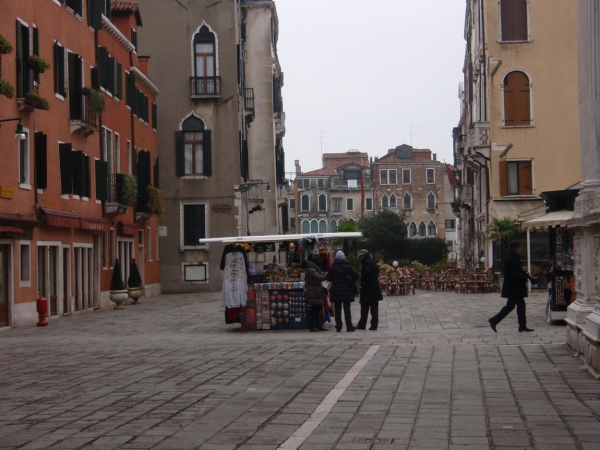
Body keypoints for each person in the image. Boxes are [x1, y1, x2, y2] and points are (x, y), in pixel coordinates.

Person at [489, 240, 535, 333]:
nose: (520, 249)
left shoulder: (514, 257)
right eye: (519, 247)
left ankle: (522, 326)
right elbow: (513, 273)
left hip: (516, 286)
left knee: (520, 305)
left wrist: (525, 275)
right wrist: (524, 278)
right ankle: (494, 320)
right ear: (515, 249)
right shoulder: (510, 259)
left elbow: (517, 271)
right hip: (513, 287)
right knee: (510, 306)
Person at [326, 251, 359, 332]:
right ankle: (349, 326)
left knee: (337, 309)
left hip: (336, 290)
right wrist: (350, 280)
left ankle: (338, 326)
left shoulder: (333, 267)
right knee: (347, 308)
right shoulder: (349, 266)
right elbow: (356, 275)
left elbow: (328, 277)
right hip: (347, 289)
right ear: (344, 257)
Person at [355, 249, 383, 330]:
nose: (359, 258)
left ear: (363, 256)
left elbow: (366, 274)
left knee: (364, 308)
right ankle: (374, 325)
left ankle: (362, 324)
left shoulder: (366, 263)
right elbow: (377, 271)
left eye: (360, 256)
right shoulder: (372, 262)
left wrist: (363, 282)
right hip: (375, 288)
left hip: (367, 289)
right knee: (374, 309)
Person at [305, 256, 328, 332]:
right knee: (314, 309)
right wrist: (327, 276)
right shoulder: (312, 270)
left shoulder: (312, 269)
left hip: (315, 291)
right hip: (314, 291)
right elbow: (318, 278)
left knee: (317, 309)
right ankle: (313, 326)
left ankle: (317, 325)